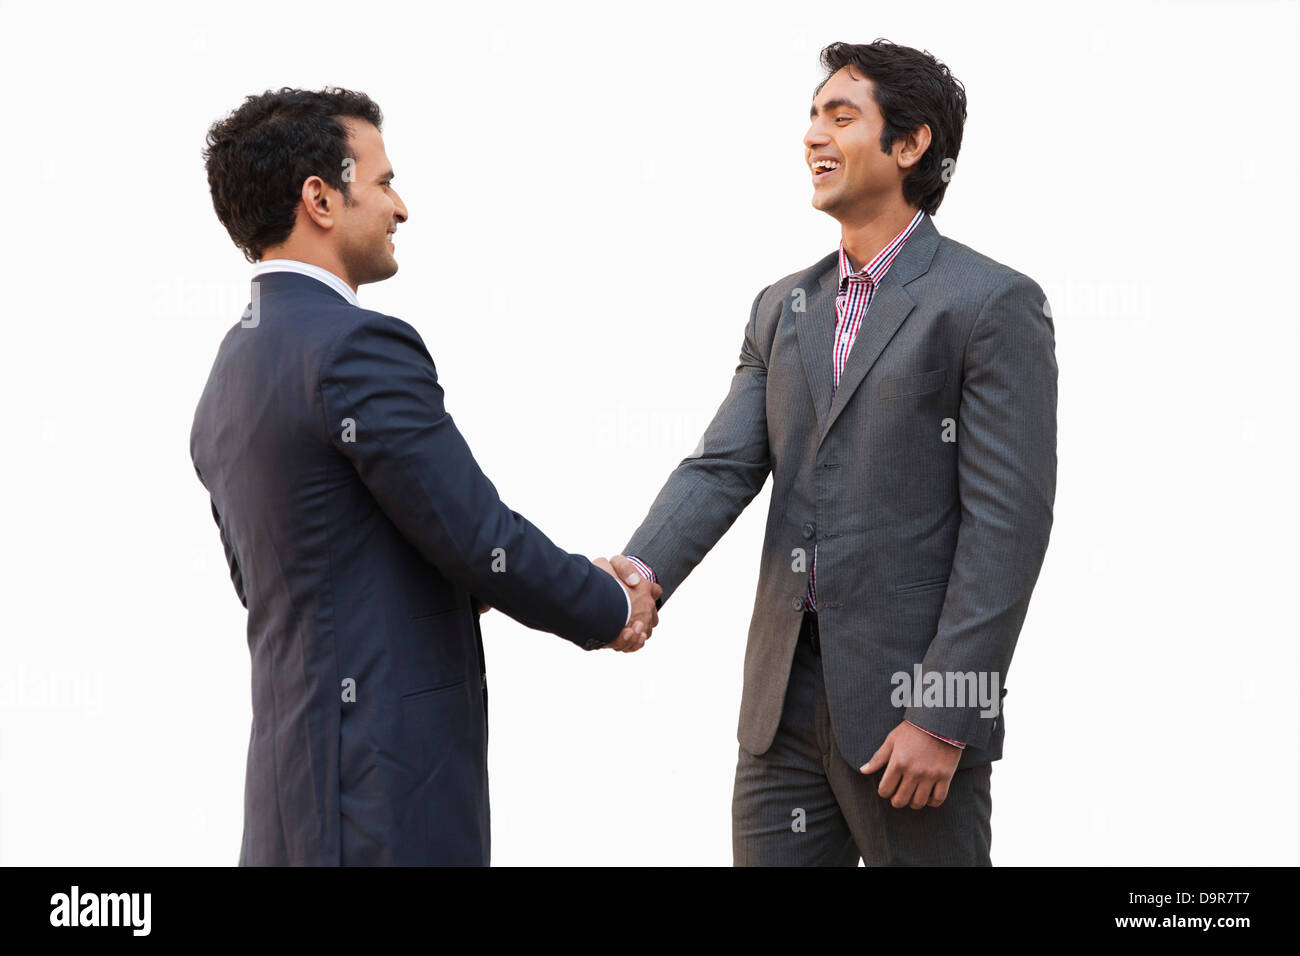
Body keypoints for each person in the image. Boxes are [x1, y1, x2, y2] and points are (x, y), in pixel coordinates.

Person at [609, 39, 1057, 865]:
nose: (813, 135)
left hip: (912, 714)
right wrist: (639, 572)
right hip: (778, 707)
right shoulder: (783, 307)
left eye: (840, 116)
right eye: (812, 116)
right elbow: (723, 466)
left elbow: (1009, 527)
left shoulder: (990, 303)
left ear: (912, 143)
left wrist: (946, 711)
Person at [191, 87, 659, 866]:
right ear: (320, 199)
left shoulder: (227, 376)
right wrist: (608, 602)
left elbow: (319, 579)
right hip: (383, 794)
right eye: (380, 182)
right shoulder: (354, 347)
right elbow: (477, 536)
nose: (400, 207)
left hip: (286, 796)